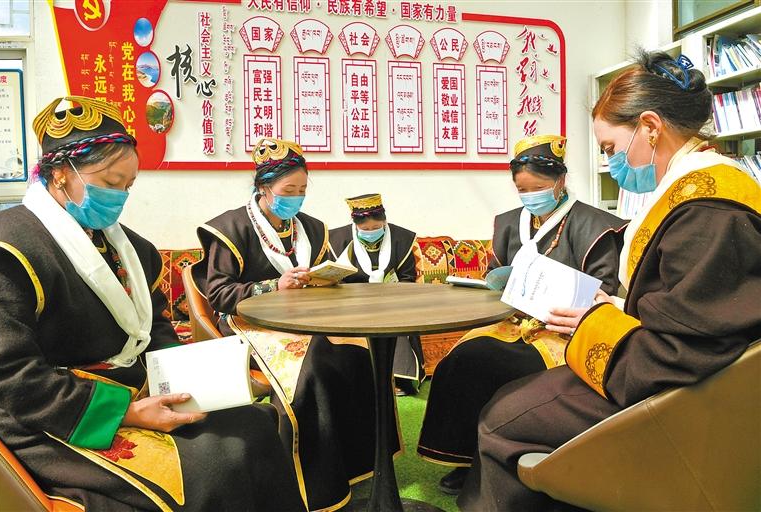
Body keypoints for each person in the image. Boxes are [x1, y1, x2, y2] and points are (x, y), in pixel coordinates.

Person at [458, 50, 761, 511]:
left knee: (502, 420)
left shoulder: (708, 207)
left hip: (681, 395)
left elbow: (687, 346)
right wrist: (614, 309)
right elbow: (687, 307)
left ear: (651, 127)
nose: (611, 163)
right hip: (671, 369)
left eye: (610, 149)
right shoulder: (696, 188)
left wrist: (595, 322)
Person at [0, 97, 305, 511]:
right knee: (215, 464)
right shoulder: (9, 248)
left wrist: (204, 380)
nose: (120, 197)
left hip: (138, 389)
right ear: (59, 173)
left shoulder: (131, 249)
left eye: (128, 186)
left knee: (254, 424)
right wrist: (128, 412)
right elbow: (11, 376)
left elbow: (154, 328)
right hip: (55, 413)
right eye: (110, 182)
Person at [191, 139, 400, 512]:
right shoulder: (230, 228)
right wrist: (275, 285)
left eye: (302, 190)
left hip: (306, 320)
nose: (297, 198)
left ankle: (357, 467)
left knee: (359, 354)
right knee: (314, 366)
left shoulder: (312, 229)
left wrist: (328, 279)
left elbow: (330, 274)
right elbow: (219, 294)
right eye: (289, 191)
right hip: (249, 323)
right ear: (264, 187)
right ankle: (313, 482)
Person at [418, 134, 627, 495]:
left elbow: (601, 291)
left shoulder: (595, 225)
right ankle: (463, 457)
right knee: (461, 358)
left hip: (560, 330)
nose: (531, 196)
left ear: (560, 181)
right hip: (511, 321)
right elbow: (496, 275)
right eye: (522, 189)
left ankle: (497, 460)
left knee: (496, 366)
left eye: (539, 187)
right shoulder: (509, 223)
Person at [329, 193, 425, 395]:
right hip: (351, 303)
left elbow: (407, 277)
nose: (371, 232)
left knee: (396, 319)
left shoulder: (403, 239)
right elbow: (334, 279)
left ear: (385, 222)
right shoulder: (337, 240)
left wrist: (390, 297)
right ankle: (358, 378)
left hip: (392, 300)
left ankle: (399, 378)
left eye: (376, 228)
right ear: (355, 225)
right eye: (365, 229)